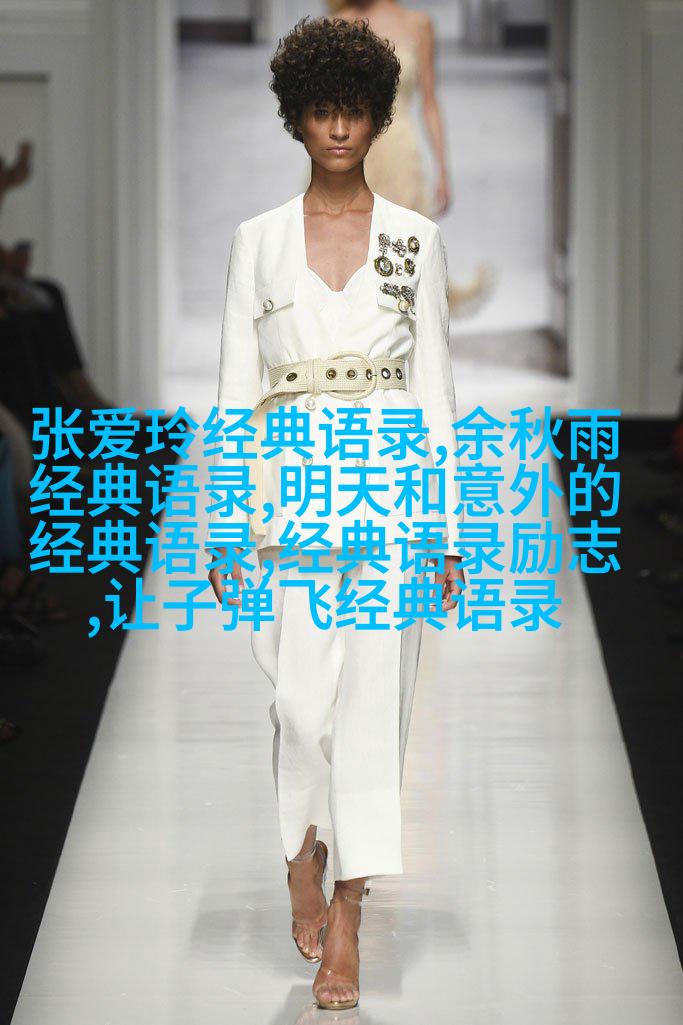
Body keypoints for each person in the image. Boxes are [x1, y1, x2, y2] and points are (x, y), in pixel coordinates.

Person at [207, 16, 466, 1011]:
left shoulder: (414, 241)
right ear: (295, 117)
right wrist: (225, 519)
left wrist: (444, 527)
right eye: (321, 110)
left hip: (389, 488)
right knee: (295, 704)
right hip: (288, 495)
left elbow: (435, 390)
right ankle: (298, 853)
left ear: (375, 115)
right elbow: (234, 389)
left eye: (354, 109)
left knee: (370, 709)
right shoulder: (258, 241)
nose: (339, 128)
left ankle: (348, 913)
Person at [329, 0, 495, 317]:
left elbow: (429, 102)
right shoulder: (342, 23)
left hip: (401, 153)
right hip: (352, 150)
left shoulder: (418, 25)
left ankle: (396, 333)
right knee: (348, 251)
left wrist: (443, 170)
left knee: (402, 250)